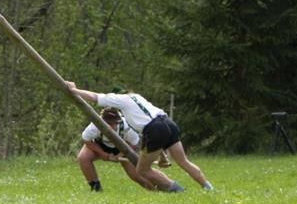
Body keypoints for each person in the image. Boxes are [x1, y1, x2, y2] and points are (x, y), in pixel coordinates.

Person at [65, 82, 213, 192]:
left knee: (142, 170)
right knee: (184, 161)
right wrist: (163, 156)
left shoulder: (121, 100)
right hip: (167, 122)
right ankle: (208, 188)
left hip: (154, 129)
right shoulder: (137, 97)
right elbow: (156, 132)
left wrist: (74, 90)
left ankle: (179, 191)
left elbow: (93, 97)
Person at [76, 107, 154, 191]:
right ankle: (95, 187)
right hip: (101, 145)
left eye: (115, 123)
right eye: (108, 123)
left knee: (135, 175)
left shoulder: (126, 126)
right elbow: (86, 140)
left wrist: (120, 154)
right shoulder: (95, 126)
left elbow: (134, 144)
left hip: (124, 148)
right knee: (83, 158)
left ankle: (155, 189)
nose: (112, 126)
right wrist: (102, 153)